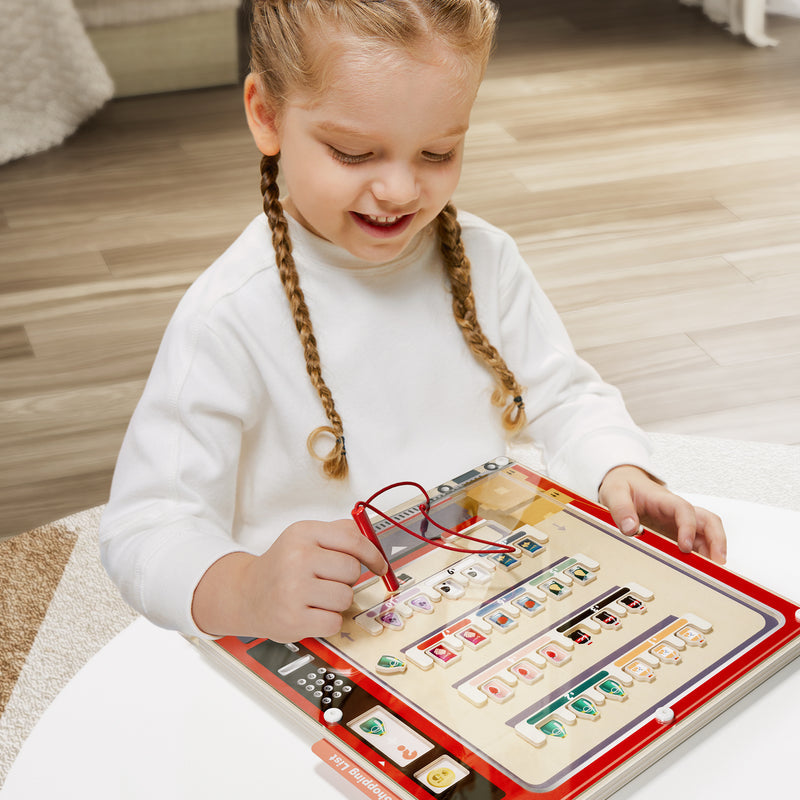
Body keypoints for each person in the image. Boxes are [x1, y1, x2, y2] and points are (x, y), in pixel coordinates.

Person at [99, 0, 726, 644]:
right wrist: (245, 589)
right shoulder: (227, 316)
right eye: (353, 152)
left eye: (437, 152)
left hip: (476, 599)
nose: (400, 189)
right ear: (267, 115)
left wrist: (618, 470)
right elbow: (146, 526)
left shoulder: (487, 260)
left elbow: (564, 396)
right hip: (308, 635)